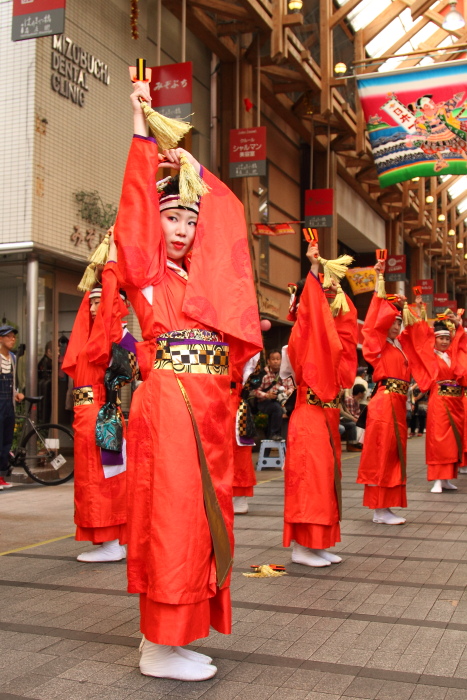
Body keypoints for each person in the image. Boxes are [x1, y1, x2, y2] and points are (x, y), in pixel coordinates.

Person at [113, 80, 261, 682]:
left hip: (205, 412)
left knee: (200, 519)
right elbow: (133, 221)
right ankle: (156, 645)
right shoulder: (148, 277)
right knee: (174, 517)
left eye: (190, 217)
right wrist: (145, 136)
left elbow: (230, 228)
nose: (181, 228)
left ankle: (176, 638)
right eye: (171, 215)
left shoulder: (203, 287)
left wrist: (196, 168)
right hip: (171, 408)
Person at [63, 235, 138, 563]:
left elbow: (109, 307)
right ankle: (109, 541)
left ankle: (110, 542)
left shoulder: (106, 339)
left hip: (98, 414)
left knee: (101, 478)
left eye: (99, 302)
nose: (93, 307)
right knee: (98, 477)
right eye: (90, 302)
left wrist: (112, 263)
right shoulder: (93, 339)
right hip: (90, 414)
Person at [283, 242, 357, 568]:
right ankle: (301, 547)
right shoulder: (301, 334)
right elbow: (313, 316)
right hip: (308, 414)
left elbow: (344, 335)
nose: (328, 303)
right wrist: (314, 269)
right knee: (309, 480)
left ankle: (320, 542)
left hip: (325, 416)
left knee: (326, 480)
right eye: (322, 297)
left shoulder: (325, 336)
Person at [357, 260, 411, 526]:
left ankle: (387, 505)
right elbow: (372, 325)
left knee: (393, 453)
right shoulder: (378, 345)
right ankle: (379, 509)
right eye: (392, 321)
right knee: (382, 452)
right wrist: (379, 279)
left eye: (399, 322)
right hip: (384, 403)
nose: (396, 325)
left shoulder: (399, 346)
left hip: (398, 404)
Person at [401, 312, 465, 493]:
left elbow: (462, 345)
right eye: (441, 338)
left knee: (453, 440)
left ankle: (446, 478)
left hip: (456, 403)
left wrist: (458, 325)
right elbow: (420, 344)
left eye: (447, 338)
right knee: (439, 440)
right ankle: (437, 479)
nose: (445, 342)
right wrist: (420, 312)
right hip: (440, 402)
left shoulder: (452, 356)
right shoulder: (431, 356)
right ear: (435, 340)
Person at [232, 353, 260, 515]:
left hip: (235, 399)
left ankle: (239, 496)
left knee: (240, 448)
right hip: (211, 396)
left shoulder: (246, 345)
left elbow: (254, 376)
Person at [0, 326, 24, 489]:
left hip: (9, 404)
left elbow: (12, 382)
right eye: (8, 337)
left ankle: (2, 476)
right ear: (0, 339)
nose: (12, 339)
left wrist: (16, 393)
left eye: (14, 337)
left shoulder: (13, 358)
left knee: (7, 441)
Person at [254, 349, 294, 440]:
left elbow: (292, 387)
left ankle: (289, 438)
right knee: (276, 408)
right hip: (265, 403)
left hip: (282, 401)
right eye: (273, 359)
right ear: (268, 361)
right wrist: (267, 395)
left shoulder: (286, 374)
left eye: (278, 359)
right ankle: (274, 434)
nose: (276, 361)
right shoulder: (263, 374)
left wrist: (287, 392)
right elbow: (255, 391)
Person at [38, 340, 53, 423]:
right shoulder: (45, 362)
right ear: (49, 351)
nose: (58, 354)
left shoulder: (49, 362)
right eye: (56, 351)